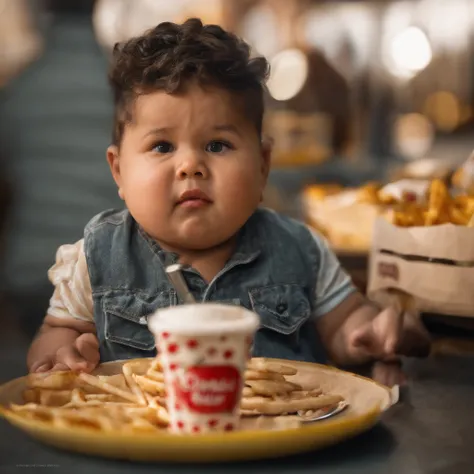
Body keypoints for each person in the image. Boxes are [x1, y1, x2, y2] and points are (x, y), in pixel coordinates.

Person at [26, 18, 430, 386]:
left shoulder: (301, 249)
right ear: (119, 171)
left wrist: (372, 333)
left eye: (218, 145)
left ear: (262, 165)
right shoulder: (95, 257)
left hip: (281, 447)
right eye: (162, 146)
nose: (190, 165)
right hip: (140, 452)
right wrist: (60, 354)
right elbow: (59, 333)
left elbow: (345, 326)